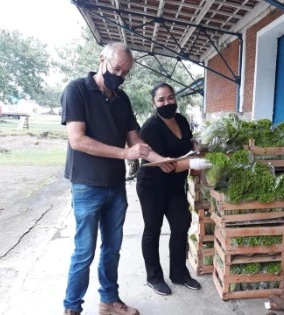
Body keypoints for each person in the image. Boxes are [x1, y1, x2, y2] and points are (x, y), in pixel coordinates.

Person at [60, 43, 173, 315]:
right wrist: (125, 153)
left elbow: (136, 141)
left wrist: (160, 160)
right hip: (86, 185)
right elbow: (77, 140)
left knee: (112, 250)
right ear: (102, 60)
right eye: (116, 69)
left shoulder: (122, 99)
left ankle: (109, 301)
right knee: (84, 252)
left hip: (115, 186)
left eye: (125, 72)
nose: (119, 75)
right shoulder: (76, 90)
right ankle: (72, 307)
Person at [136, 82, 212, 296]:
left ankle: (179, 274)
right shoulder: (150, 128)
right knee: (153, 230)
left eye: (170, 97)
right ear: (154, 103)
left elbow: (187, 146)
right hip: (152, 186)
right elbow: (167, 165)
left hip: (175, 186)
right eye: (161, 99)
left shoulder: (181, 120)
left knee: (181, 226)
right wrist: (193, 164)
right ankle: (154, 278)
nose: (167, 102)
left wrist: (196, 147)